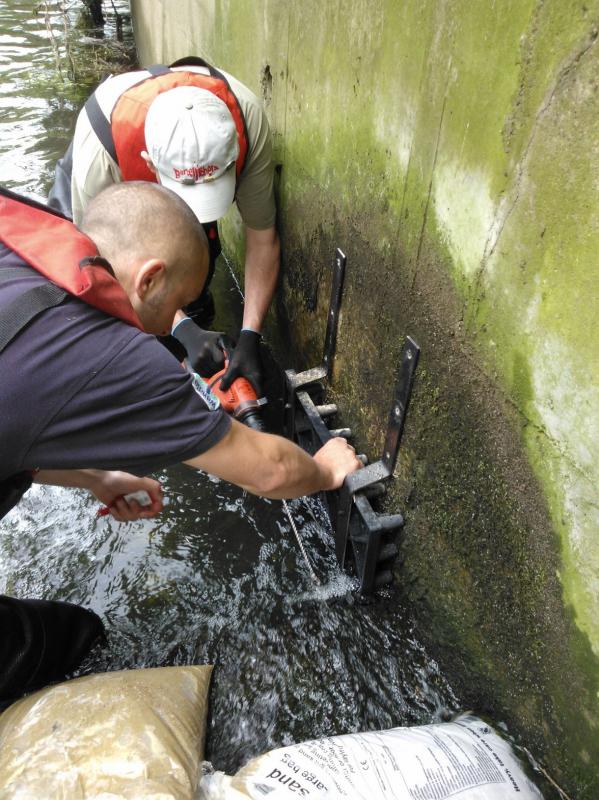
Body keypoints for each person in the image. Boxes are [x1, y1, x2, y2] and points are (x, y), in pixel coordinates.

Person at [0, 182, 360, 703]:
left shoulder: (23, 246)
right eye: (182, 304)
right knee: (66, 644)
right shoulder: (115, 358)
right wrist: (325, 471)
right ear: (149, 278)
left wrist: (95, 476)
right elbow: (271, 472)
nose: (180, 321)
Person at [48, 56, 280, 399]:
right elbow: (109, 273)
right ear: (149, 164)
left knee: (190, 273)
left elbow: (263, 236)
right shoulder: (99, 155)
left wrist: (250, 335)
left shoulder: (247, 119)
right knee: (82, 292)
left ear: (232, 156)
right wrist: (180, 327)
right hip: (104, 164)